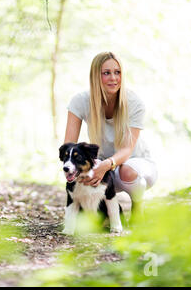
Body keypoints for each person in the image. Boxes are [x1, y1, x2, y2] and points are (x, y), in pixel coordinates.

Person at [63, 51, 157, 202]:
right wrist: (79, 170)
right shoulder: (80, 101)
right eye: (106, 73)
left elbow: (127, 149)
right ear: (96, 76)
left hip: (136, 165)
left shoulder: (134, 103)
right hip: (103, 164)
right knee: (86, 173)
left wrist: (107, 165)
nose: (113, 78)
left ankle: (137, 206)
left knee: (127, 170)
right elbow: (68, 146)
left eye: (117, 72)